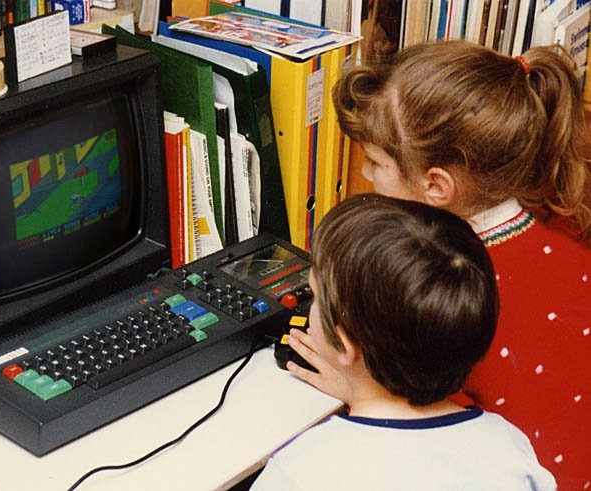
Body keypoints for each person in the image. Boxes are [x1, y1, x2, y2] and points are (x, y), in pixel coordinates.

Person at [287, 41, 591, 489]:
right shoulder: (562, 222)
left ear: (436, 185)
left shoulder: (445, 290)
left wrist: (359, 388)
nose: (367, 177)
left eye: (375, 162)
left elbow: (438, 438)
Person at [251, 194, 555, 490]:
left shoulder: (299, 472)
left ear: (344, 345)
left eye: (315, 297)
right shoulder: (507, 445)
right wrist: (359, 390)